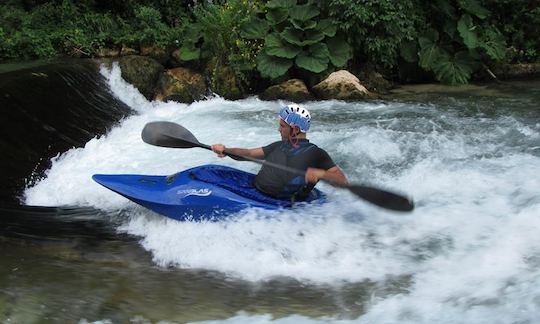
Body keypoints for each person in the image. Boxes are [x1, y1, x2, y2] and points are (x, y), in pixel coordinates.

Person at [211, 104, 348, 201]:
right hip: (256, 192)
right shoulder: (279, 145)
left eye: (282, 126)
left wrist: (321, 173)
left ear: (295, 130)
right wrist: (226, 150)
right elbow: (249, 154)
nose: (279, 130)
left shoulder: (316, 153)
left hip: (284, 204)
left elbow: (342, 181)